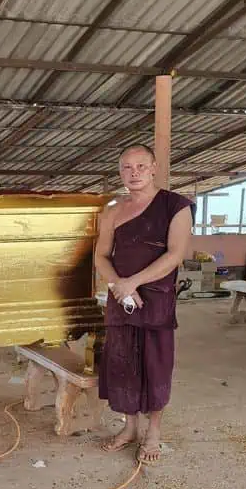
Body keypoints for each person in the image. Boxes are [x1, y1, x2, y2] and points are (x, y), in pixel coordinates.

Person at [94, 145, 193, 465]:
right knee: (122, 363)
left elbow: (175, 255)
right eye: (126, 167)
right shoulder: (111, 210)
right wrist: (118, 288)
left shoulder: (175, 206)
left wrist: (132, 284)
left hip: (155, 297)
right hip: (121, 298)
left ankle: (153, 432)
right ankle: (130, 427)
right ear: (120, 171)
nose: (133, 173)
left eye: (140, 166)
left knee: (155, 364)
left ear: (154, 168)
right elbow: (101, 256)